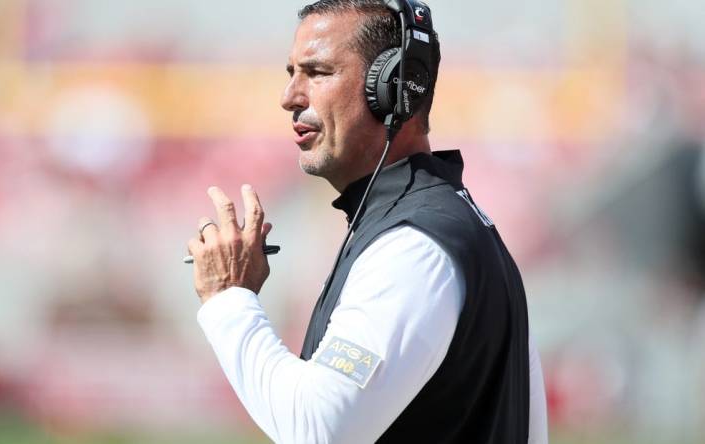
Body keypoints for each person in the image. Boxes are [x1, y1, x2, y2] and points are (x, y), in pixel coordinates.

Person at [186, 1, 548, 442]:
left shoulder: (415, 247)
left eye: (317, 73)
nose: (290, 97)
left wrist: (229, 300)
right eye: (291, 73)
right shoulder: (436, 225)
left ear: (395, 88)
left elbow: (319, 429)